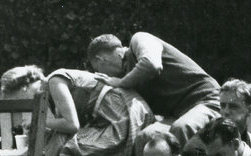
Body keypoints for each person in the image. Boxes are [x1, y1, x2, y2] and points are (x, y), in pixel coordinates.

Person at [0, 65, 152, 156]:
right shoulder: (46, 92)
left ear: (23, 88)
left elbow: (72, 125)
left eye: (17, 98)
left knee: (71, 150)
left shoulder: (54, 81)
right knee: (57, 142)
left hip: (123, 113)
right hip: (109, 117)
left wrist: (40, 121)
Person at [87, 31, 221, 148]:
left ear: (101, 60)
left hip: (206, 99)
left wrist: (120, 83)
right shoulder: (128, 78)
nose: (106, 76)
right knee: (144, 137)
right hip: (178, 114)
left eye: (99, 70)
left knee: (181, 128)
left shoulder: (139, 39)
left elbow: (152, 64)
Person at [218, 78, 251, 154]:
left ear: (249, 110)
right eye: (223, 105)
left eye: (233, 106)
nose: (226, 111)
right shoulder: (206, 142)